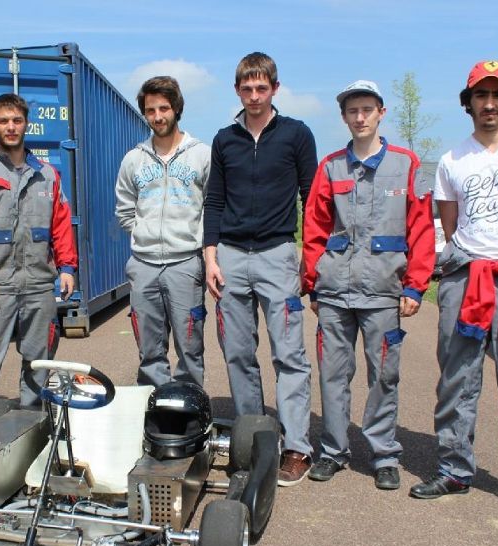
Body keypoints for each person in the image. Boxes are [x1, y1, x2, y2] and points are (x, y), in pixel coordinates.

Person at [410, 61, 498, 524]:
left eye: (497, 95)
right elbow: (450, 227)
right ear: (468, 101)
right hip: (467, 279)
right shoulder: (454, 161)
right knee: (457, 378)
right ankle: (454, 469)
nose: (488, 104)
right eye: (480, 95)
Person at [302, 80, 435, 490]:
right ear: (344, 117)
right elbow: (314, 227)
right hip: (336, 292)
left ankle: (383, 455)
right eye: (352, 111)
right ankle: (334, 451)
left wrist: (415, 286)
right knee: (332, 375)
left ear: (381, 113)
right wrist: (313, 282)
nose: (360, 117)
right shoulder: (330, 167)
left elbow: (421, 228)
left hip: (382, 293)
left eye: (367, 109)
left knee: (383, 377)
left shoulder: (409, 164)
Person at [203, 52, 318, 486]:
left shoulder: (296, 135)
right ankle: (252, 439)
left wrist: (309, 251)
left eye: (261, 88)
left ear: (274, 88)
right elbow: (214, 201)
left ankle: (296, 447)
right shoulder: (224, 139)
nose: (254, 96)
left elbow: (312, 196)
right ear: (237, 91)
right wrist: (210, 256)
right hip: (231, 256)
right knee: (237, 352)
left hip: (277, 255)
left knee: (289, 354)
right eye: (246, 89)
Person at [0, 93, 77, 410]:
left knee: (38, 365)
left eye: (17, 120)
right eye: (3, 121)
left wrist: (67, 267)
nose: (11, 127)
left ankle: (32, 429)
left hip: (38, 286)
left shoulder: (47, 174)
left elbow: (61, 224)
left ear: (26, 124)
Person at [115, 76, 210, 387]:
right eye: (150, 110)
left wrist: (197, 245)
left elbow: (213, 206)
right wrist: (143, 234)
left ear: (177, 108)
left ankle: (190, 414)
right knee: (149, 350)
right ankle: (155, 413)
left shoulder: (202, 155)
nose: (158, 116)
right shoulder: (134, 159)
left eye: (164, 108)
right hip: (143, 266)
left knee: (189, 347)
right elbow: (125, 209)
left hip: (185, 264)